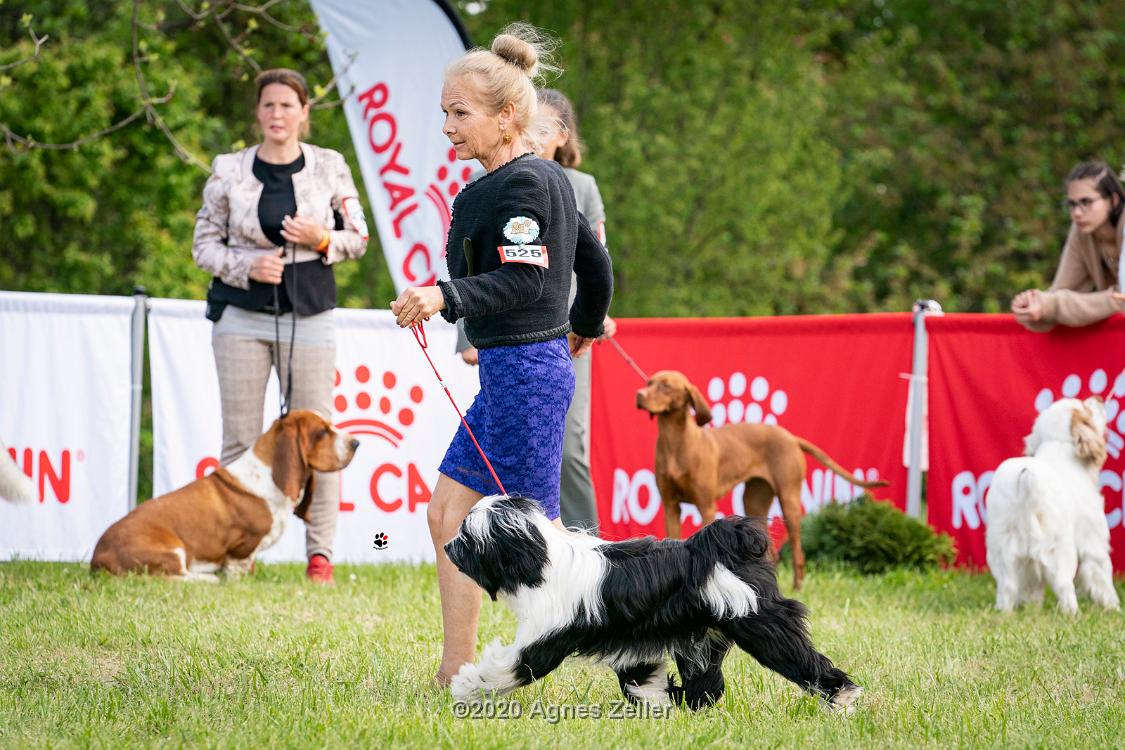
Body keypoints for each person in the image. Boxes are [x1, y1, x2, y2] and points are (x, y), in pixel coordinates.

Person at [390, 24, 613, 687]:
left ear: (506, 115)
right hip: (515, 373)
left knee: (536, 539)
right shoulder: (548, 180)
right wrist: (585, 322)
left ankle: (623, 638)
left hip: (522, 375)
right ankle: (454, 667)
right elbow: (593, 266)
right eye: (444, 113)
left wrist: (443, 296)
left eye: (460, 114)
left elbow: (523, 278)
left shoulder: (518, 188)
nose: (448, 127)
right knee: (447, 517)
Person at [192, 68, 369, 584]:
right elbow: (203, 244)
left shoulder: (330, 165)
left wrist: (320, 239)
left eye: (287, 106)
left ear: (304, 113)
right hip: (240, 315)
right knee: (240, 439)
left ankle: (320, 556)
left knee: (320, 436)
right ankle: (234, 553)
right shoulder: (228, 169)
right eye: (268, 106)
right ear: (257, 112)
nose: (276, 115)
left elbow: (357, 237)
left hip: (309, 313)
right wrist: (245, 265)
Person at [455, 88, 615, 532]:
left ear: (560, 136)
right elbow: (474, 262)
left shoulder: (574, 185)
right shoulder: (489, 183)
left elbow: (596, 257)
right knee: (500, 474)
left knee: (568, 448)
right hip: (509, 333)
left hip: (562, 335)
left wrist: (591, 318)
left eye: (541, 129)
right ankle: (503, 546)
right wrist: (467, 334)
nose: (532, 137)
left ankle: (587, 545)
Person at [1012, 161, 1125, 332]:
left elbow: (1122, 299)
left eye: (1086, 202)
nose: (1077, 213)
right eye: (1072, 204)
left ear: (1114, 200)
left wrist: (1051, 305)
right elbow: (1061, 291)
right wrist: (1035, 306)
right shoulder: (1081, 232)